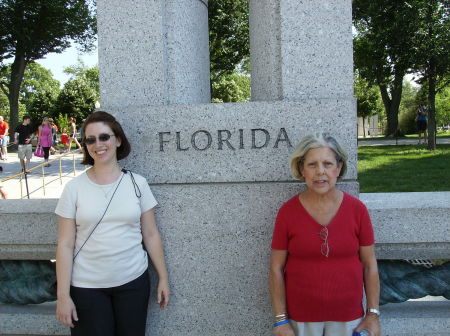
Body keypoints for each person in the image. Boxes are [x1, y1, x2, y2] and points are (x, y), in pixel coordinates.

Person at [55, 111, 170, 335]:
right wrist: (63, 296)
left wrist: (163, 278)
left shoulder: (138, 183)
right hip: (86, 288)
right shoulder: (74, 188)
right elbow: (65, 244)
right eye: (90, 139)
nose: (98, 144)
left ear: (118, 140)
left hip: (133, 284)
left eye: (104, 137)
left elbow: (151, 234)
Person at [269, 133, 380, 336]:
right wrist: (280, 320)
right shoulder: (288, 212)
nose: (320, 172)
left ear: (338, 168)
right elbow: (276, 268)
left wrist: (372, 315)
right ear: (302, 169)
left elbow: (370, 265)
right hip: (300, 322)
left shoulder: (357, 210)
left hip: (349, 320)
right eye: (312, 164)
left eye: (328, 164)